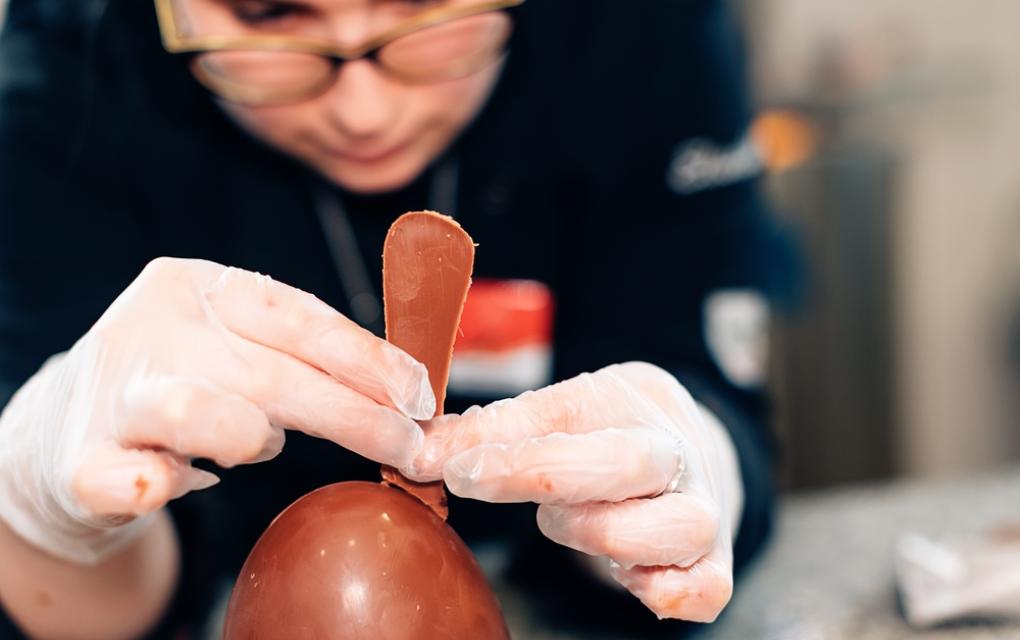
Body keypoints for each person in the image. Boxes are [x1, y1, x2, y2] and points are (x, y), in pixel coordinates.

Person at [0, 0, 798, 637]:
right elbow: (81, 608)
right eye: (270, 15)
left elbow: (708, 362)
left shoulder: (642, 26)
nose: (364, 111)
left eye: (422, 2)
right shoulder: (70, 68)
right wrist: (37, 517)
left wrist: (682, 477)